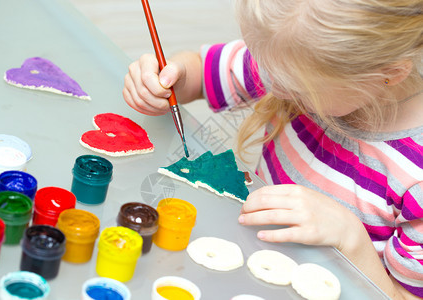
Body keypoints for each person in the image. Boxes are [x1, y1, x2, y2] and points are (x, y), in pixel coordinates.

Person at [123, 0, 423, 298]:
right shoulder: (290, 55)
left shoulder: (415, 178)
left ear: (390, 73)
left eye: (297, 88)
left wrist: (351, 238)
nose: (272, 87)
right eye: (266, 69)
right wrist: (168, 80)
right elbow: (200, 73)